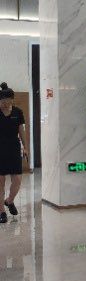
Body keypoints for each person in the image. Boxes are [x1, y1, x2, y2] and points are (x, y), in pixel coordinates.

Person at [0, 82, 27, 223]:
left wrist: (25, 147)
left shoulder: (18, 112)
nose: (6, 104)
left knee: (17, 179)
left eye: (9, 101)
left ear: (12, 100)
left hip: (14, 148)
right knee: (0, 182)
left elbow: (21, 131)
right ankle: (1, 211)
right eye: (3, 101)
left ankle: (9, 201)